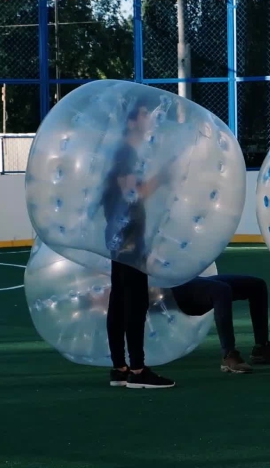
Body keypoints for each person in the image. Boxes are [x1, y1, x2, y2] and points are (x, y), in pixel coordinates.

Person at [103, 98, 175, 389]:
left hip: (122, 236)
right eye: (145, 114)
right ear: (131, 121)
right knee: (134, 301)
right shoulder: (125, 153)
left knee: (120, 300)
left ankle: (121, 368)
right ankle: (136, 370)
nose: (149, 119)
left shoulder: (124, 152)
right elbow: (134, 193)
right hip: (127, 238)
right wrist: (164, 176)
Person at [171, 274, 270, 374]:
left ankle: (262, 347)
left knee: (257, 285)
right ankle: (228, 354)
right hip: (167, 288)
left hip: (188, 278)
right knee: (221, 289)